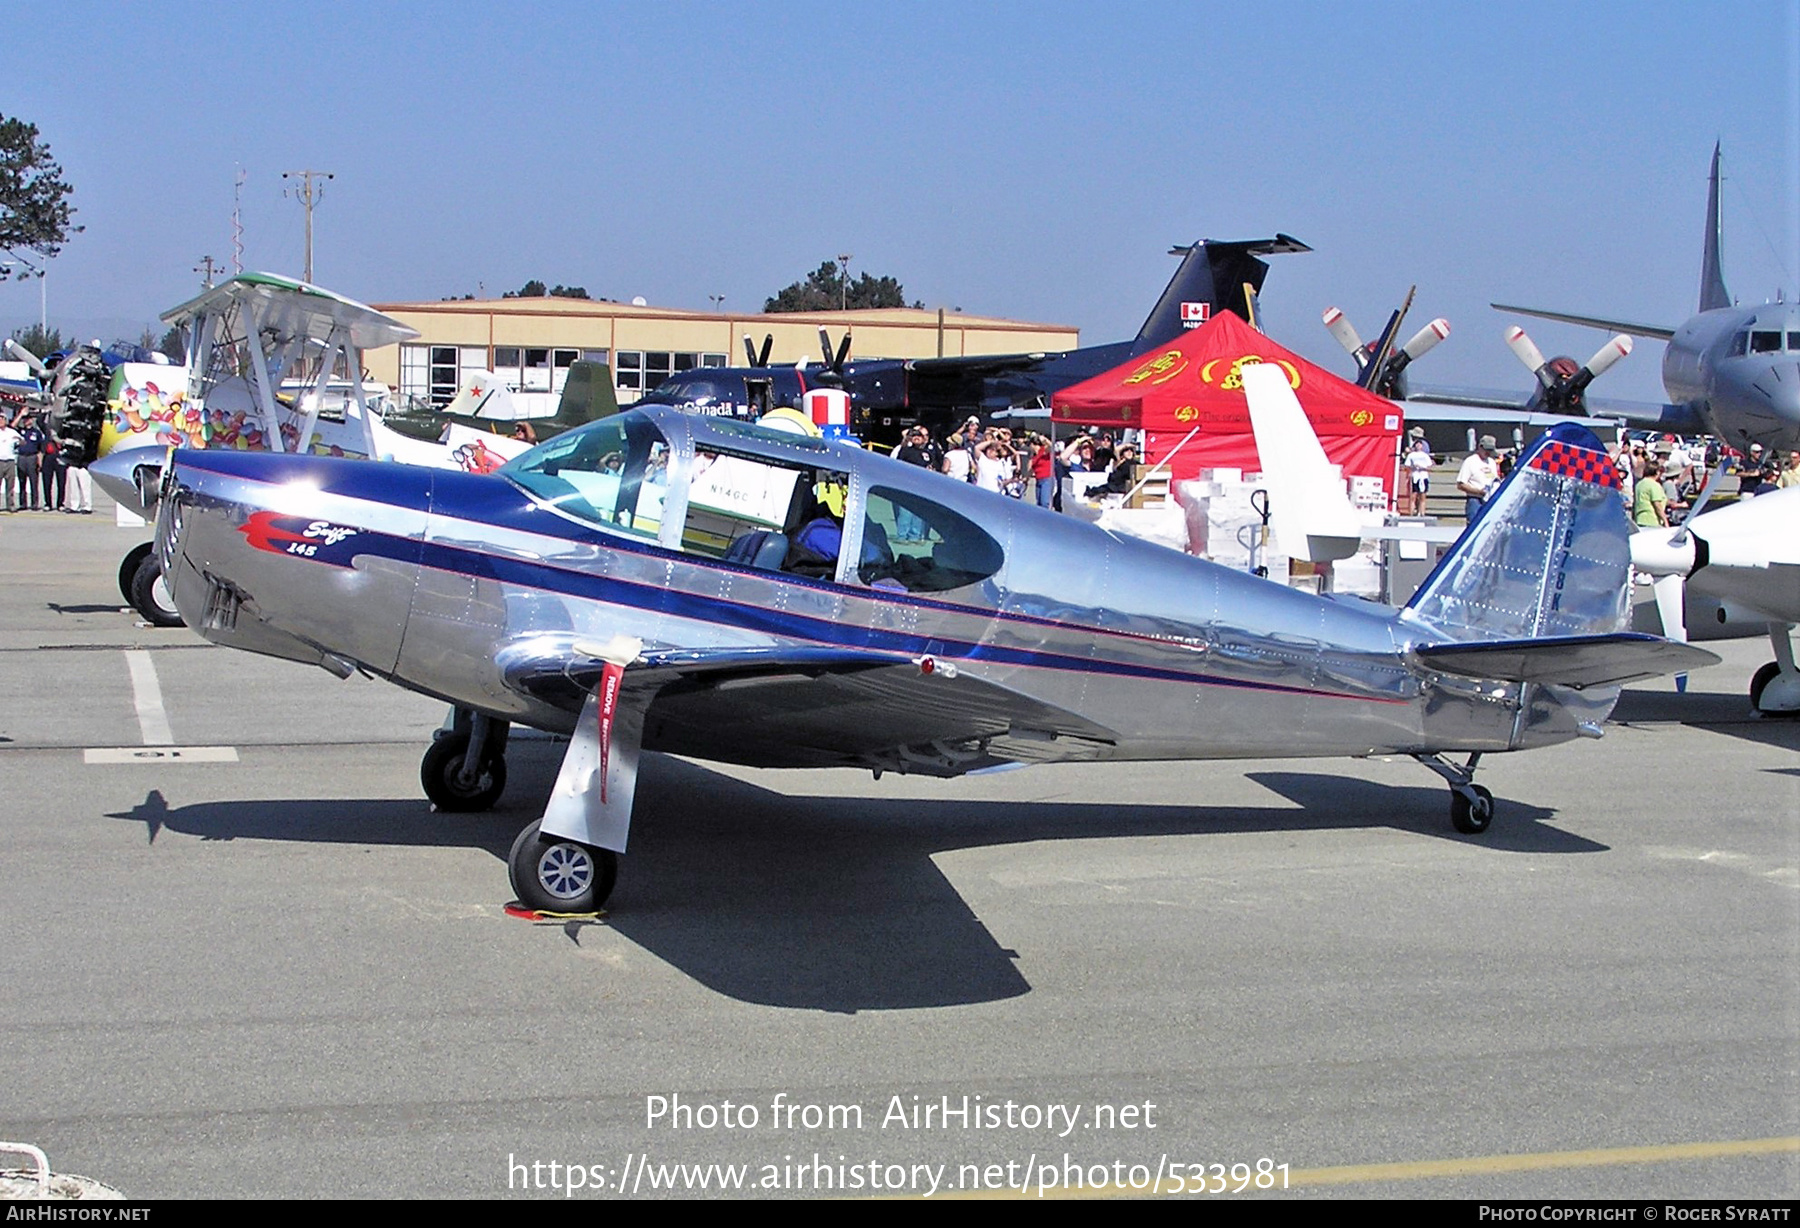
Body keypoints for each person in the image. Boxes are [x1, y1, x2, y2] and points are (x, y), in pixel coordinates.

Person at [1455, 435, 1501, 522]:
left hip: (1489, 500)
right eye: (1486, 449)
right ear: (1480, 447)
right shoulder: (1470, 461)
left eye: (1490, 450)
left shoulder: (1491, 462)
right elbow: (1460, 484)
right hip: (1475, 500)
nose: (1488, 452)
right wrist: (1479, 492)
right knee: (1473, 523)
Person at [1403, 429, 1435, 516]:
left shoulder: (1424, 450)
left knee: (1422, 496)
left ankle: (1421, 512)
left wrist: (1422, 467)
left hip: (1423, 476)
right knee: (1413, 496)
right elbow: (1407, 465)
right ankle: (1412, 512)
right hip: (1415, 476)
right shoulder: (1412, 454)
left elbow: (1429, 465)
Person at [1633, 458, 1668, 527]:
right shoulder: (1654, 485)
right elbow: (1657, 504)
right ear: (1657, 472)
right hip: (1652, 520)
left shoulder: (1639, 484)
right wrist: (1665, 520)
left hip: (1639, 519)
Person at [0, 413, 20, 511]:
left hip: (10, 461)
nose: (1, 421)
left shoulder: (12, 432)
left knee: (10, 485)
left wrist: (19, 440)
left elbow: (22, 441)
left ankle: (10, 505)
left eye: (3, 419)